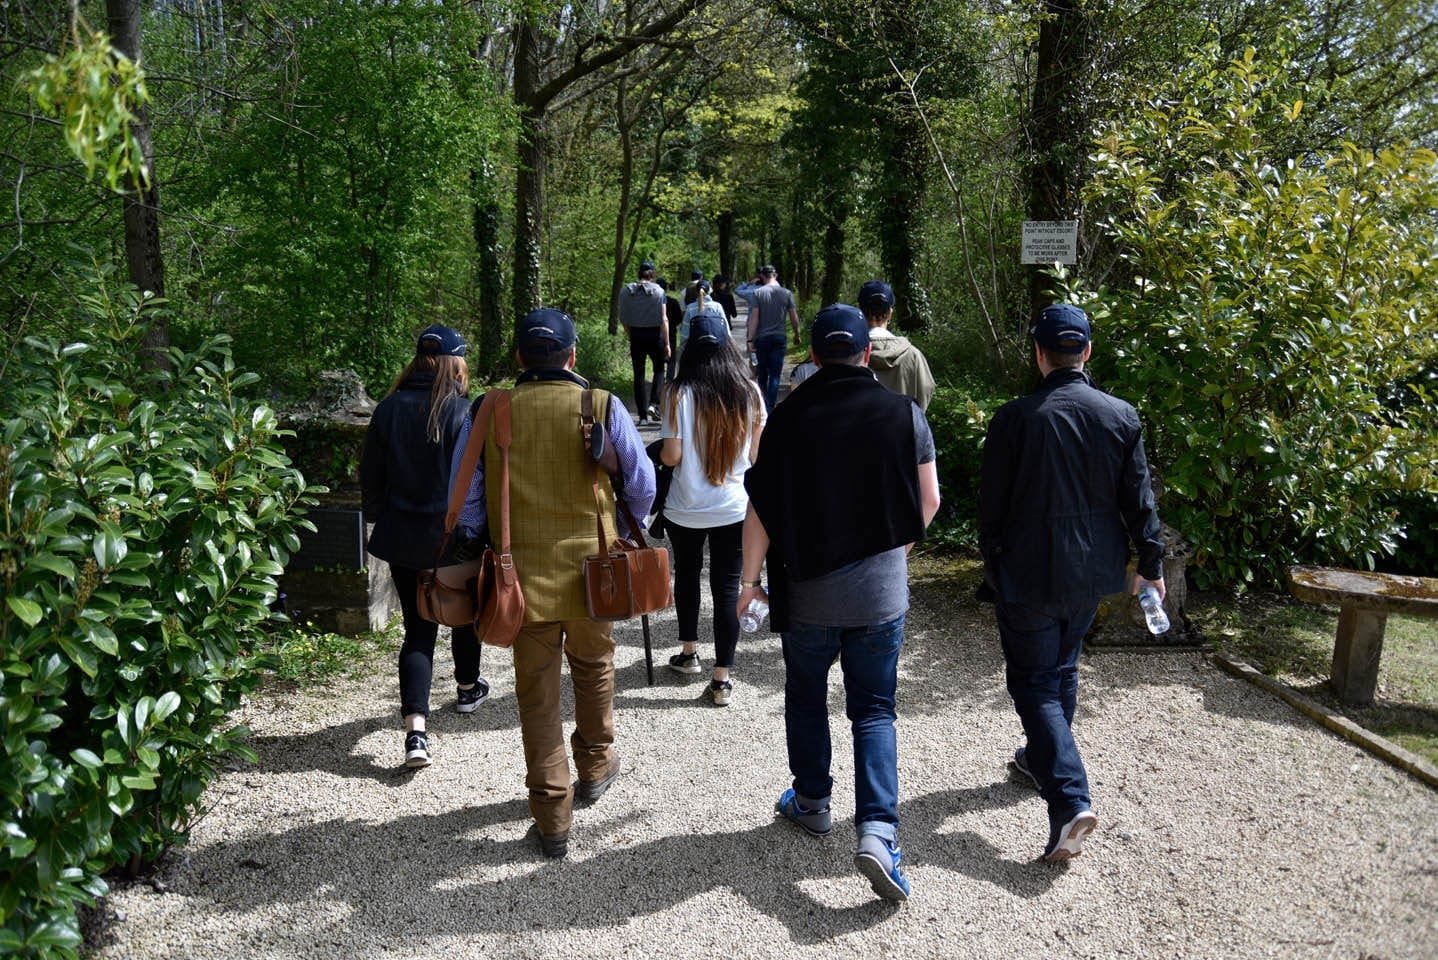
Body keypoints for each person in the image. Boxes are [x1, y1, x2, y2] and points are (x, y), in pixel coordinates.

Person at [738, 304, 941, 902]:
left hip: (807, 595)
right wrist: (890, 553)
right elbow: (928, 503)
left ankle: (812, 801)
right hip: (880, 594)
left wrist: (750, 583)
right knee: (874, 709)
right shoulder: (904, 414)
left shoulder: (786, 420)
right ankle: (878, 832)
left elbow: (762, 512)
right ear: (867, 352)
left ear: (816, 357)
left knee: (805, 696)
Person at [454, 307, 655, 859]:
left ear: (520, 357)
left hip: (522, 581)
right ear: (571, 356)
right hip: (598, 575)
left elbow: (467, 500)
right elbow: (642, 487)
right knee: (594, 670)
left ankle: (552, 816)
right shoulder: (601, 405)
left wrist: (480, 541)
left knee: (537, 696)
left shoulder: (491, 408)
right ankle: (594, 764)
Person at [978, 303, 1165, 863]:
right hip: (1093, 572)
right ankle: (1042, 759)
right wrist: (1149, 563)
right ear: (1086, 352)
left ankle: (1069, 798)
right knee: (1060, 668)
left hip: (1029, 574)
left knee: (1034, 683)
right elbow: (1140, 501)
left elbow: (991, 509)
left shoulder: (1014, 419)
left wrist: (996, 565)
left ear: (1038, 354)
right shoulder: (1120, 416)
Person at [360, 325, 491, 769]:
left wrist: (383, 516)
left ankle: (416, 734)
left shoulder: (387, 409)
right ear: (456, 364)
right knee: (463, 608)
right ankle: (468, 688)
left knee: (417, 629)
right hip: (451, 536)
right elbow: (477, 480)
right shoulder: (462, 413)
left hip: (402, 536)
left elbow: (370, 480)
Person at [659, 312, 766, 706]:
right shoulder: (750, 393)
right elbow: (757, 456)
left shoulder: (676, 392)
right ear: (727, 346)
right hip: (734, 509)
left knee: (687, 576)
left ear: (688, 348)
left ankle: (689, 654)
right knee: (727, 588)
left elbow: (672, 456)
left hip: (685, 507)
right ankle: (722, 678)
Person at [858, 280, 936, 411]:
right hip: (903, 430)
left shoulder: (850, 354)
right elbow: (925, 393)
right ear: (890, 313)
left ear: (860, 311)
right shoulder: (914, 356)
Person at [617, 261, 669, 424]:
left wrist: (630, 333)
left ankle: (643, 416)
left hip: (636, 335)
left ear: (638, 274)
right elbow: (664, 319)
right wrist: (667, 343)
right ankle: (654, 403)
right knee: (659, 370)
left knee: (638, 375)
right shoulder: (659, 292)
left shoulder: (626, 291)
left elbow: (623, 318)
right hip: (655, 335)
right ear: (652, 274)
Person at [745, 264, 801, 412]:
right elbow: (794, 317)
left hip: (762, 339)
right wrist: (797, 334)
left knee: (762, 373)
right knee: (775, 374)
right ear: (775, 275)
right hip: (779, 338)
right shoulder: (787, 293)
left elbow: (754, 318)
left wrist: (750, 340)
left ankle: (763, 405)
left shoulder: (758, 293)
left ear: (762, 277)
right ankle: (771, 408)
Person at [678, 279, 728, 352]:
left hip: (695, 347)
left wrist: (682, 350)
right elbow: (725, 327)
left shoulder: (690, 308)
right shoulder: (717, 306)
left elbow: (685, 334)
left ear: (696, 292)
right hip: (715, 345)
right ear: (709, 291)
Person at [660, 277, 684, 386]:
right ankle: (669, 380)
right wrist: (673, 325)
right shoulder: (673, 302)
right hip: (671, 333)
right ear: (666, 289)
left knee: (659, 356)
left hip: (657, 333)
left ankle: (659, 379)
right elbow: (680, 318)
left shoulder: (652, 303)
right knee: (672, 358)